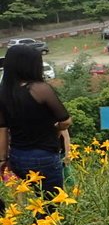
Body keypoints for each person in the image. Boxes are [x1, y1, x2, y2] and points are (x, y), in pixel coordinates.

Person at [0, 44, 72, 197]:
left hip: (17, 158)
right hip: (43, 157)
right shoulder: (39, 89)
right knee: (52, 203)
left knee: (37, 200)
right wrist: (56, 128)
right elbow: (66, 121)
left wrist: (3, 159)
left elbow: (2, 129)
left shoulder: (4, 92)